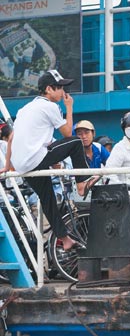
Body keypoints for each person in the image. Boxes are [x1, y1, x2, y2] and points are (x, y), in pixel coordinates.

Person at [5, 70, 90, 251]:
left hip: (22, 165)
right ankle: (82, 183)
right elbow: (68, 133)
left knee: (48, 198)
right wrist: (69, 107)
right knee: (76, 141)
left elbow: (14, 138)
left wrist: (8, 166)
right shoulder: (49, 106)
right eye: (60, 88)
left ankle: (65, 239)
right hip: (34, 159)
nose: (63, 93)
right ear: (49, 89)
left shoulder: (25, 109)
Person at [106, 112, 130, 183]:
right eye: (129, 126)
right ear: (124, 128)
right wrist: (124, 189)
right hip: (129, 191)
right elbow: (109, 172)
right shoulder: (120, 148)